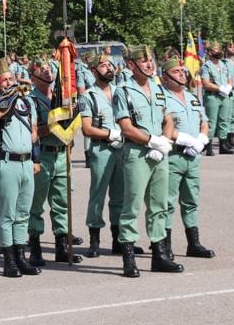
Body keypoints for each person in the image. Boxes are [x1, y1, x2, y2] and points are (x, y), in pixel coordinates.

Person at [112, 45, 184, 278]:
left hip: (160, 154)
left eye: (150, 60)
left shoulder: (158, 88)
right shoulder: (124, 91)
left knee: (159, 206)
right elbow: (126, 127)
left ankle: (159, 255)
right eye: (143, 61)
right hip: (137, 154)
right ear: (131, 65)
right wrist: (152, 140)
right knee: (131, 207)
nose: (149, 64)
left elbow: (169, 118)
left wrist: (164, 140)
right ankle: (129, 258)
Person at [79, 54, 144, 258]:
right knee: (97, 194)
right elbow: (87, 129)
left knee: (120, 197)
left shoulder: (121, 92)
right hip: (102, 149)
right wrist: (110, 134)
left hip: (123, 148)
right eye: (103, 65)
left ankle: (119, 240)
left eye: (110, 65)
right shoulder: (88, 96)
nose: (108, 68)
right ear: (93, 71)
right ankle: (94, 240)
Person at [26, 58, 83, 266]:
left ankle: (62, 247)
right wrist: (54, 124)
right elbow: (33, 132)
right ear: (33, 76)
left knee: (62, 203)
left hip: (62, 154)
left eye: (49, 68)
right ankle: (35, 248)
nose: (48, 72)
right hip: (43, 154)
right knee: (36, 203)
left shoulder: (61, 97)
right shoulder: (31, 100)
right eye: (42, 69)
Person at [0, 60, 40, 278]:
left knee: (23, 213)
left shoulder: (27, 102)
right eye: (4, 80)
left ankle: (21, 256)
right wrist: (10, 95)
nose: (9, 83)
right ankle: (9, 261)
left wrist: (32, 152)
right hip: (6, 162)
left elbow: (34, 132)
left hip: (26, 162)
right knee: (7, 214)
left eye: (11, 79)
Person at [161, 58, 215, 259]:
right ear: (165, 78)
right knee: (167, 203)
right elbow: (162, 126)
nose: (182, 74)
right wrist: (183, 139)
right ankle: (164, 244)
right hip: (173, 155)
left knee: (191, 201)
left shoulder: (193, 97)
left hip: (193, 157)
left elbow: (204, 122)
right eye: (176, 72)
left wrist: (201, 139)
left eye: (182, 71)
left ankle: (193, 243)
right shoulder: (162, 99)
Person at [200, 41, 234, 155]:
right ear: (209, 53)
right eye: (215, 50)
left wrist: (229, 86)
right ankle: (208, 146)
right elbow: (205, 83)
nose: (218, 52)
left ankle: (223, 145)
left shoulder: (224, 64)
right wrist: (220, 88)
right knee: (211, 122)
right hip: (212, 96)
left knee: (224, 120)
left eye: (219, 50)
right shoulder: (206, 66)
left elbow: (230, 78)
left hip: (225, 96)